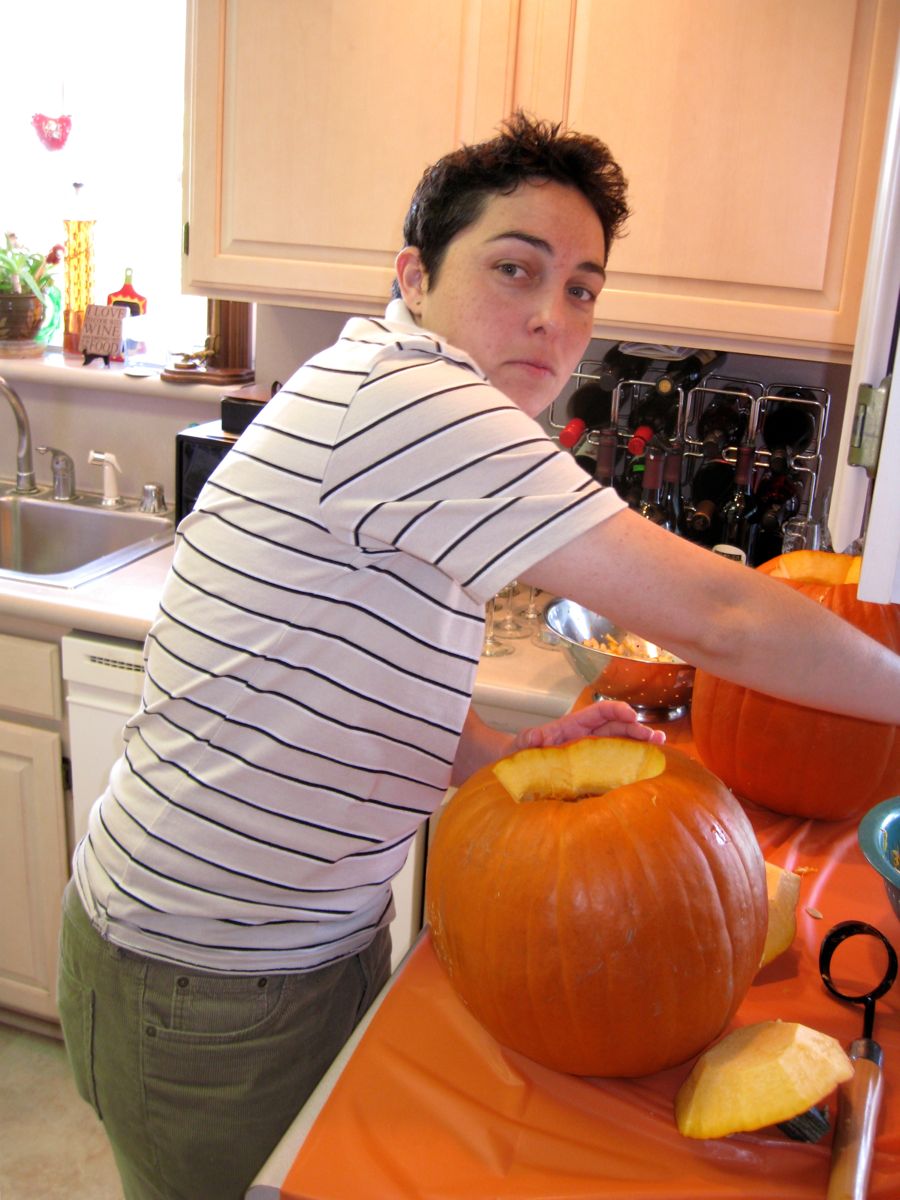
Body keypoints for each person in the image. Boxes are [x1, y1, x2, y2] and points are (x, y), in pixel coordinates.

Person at [58, 113, 900, 1200]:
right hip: (210, 974)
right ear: (414, 273)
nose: (554, 319)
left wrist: (503, 752)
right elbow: (721, 619)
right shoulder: (413, 399)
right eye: (517, 269)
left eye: (584, 289)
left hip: (282, 941)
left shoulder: (383, 390)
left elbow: (353, 669)